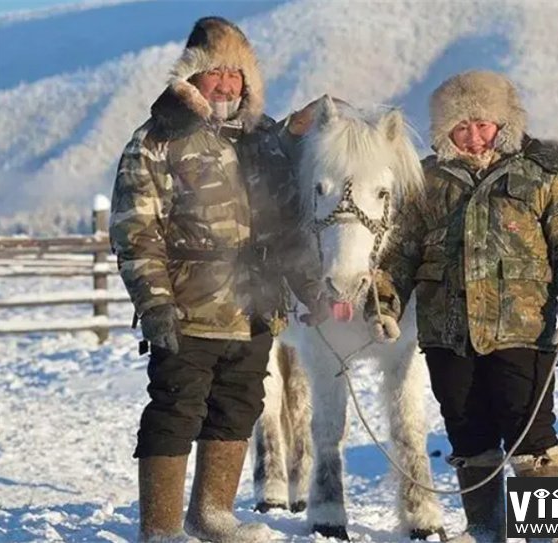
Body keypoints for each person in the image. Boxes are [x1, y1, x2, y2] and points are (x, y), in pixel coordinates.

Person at [110, 17, 324, 543]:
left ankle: (212, 515)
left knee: (239, 406)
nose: (228, 84)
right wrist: (155, 304)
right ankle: (160, 528)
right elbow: (135, 230)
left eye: (237, 75)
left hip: (256, 305)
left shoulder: (263, 139)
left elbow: (288, 219)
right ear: (191, 77)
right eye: (216, 73)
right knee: (176, 408)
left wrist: (311, 291)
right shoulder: (158, 140)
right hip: (189, 305)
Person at [366, 70, 558, 542]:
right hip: (447, 332)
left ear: (503, 124)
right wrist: (385, 306)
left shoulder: (539, 174)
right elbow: (402, 251)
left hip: (523, 329)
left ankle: (546, 534)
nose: (473, 137)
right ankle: (486, 530)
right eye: (461, 127)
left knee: (529, 433)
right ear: (443, 131)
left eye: (483, 125)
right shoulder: (426, 179)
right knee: (468, 432)